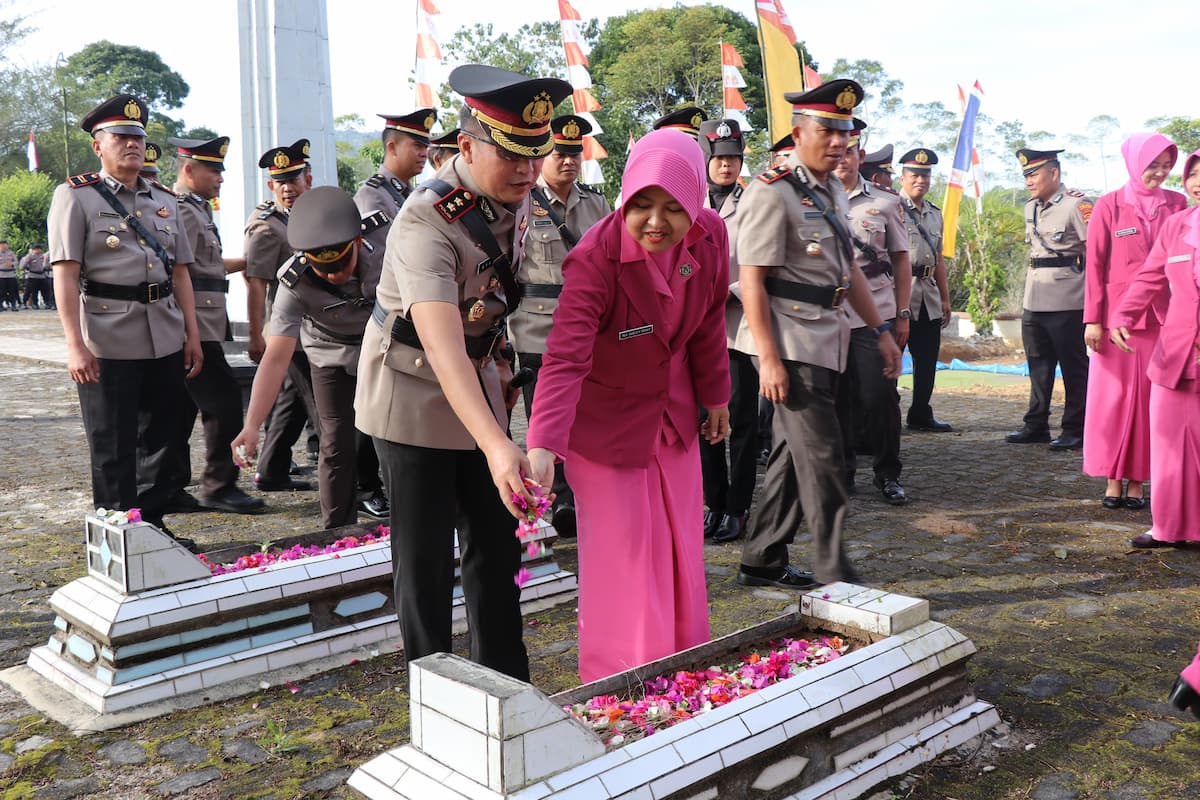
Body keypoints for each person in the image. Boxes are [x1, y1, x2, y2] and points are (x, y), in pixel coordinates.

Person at [355, 64, 573, 681]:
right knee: (423, 560)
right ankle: (434, 690)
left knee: (495, 548)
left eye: (537, 155)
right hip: (411, 390)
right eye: (513, 156)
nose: (529, 170)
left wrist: (528, 430)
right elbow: (441, 343)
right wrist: (501, 446)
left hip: (482, 382)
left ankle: (507, 683)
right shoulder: (426, 218)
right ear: (469, 147)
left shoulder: (518, 196)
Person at [526, 128, 731, 682]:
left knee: (681, 548)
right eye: (641, 204)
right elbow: (565, 357)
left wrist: (716, 396)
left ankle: (686, 667)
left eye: (672, 208)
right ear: (624, 196)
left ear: (695, 204)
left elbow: (710, 320)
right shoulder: (595, 258)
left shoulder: (711, 236)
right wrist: (543, 445)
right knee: (628, 561)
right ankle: (625, 681)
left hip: (674, 419)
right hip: (608, 427)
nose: (656, 222)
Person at [732, 79, 902, 590]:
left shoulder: (827, 188)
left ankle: (761, 558)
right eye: (826, 131)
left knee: (791, 455)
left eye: (844, 134)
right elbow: (753, 280)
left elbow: (847, 271)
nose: (837, 143)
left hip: (830, 338)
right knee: (828, 456)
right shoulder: (771, 190)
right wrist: (768, 358)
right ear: (798, 131)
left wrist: (883, 330)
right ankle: (834, 568)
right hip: (788, 343)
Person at [46, 94, 202, 547]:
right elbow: (66, 275)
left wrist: (192, 334)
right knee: (112, 444)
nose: (131, 144)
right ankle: (118, 533)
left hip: (165, 335)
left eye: (137, 137)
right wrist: (75, 345)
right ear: (99, 145)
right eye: (120, 137)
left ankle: (151, 528)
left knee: (164, 439)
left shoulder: (165, 201)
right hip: (107, 339)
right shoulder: (74, 196)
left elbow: (181, 274)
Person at [234, 186, 387, 529]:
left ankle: (411, 518)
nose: (334, 275)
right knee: (336, 443)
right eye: (324, 269)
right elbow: (276, 358)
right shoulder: (293, 280)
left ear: (357, 243)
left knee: (396, 434)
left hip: (385, 349)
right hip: (330, 355)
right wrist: (252, 425)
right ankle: (338, 531)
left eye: (341, 264)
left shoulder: (386, 241)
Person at [508, 113, 611, 539]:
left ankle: (588, 492)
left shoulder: (595, 203)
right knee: (547, 419)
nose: (568, 161)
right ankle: (562, 498)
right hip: (537, 329)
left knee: (588, 416)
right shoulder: (521, 203)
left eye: (575, 153)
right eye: (559, 153)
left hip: (588, 328)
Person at [1083, 133, 1186, 510]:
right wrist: (1093, 320)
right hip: (1115, 324)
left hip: (1163, 320)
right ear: (1133, 163)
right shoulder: (1109, 206)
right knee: (1112, 402)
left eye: (1165, 166)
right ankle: (1112, 478)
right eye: (1151, 166)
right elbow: (1094, 267)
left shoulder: (1178, 204)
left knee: (1150, 402)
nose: (1159, 173)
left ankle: (1139, 481)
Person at [165, 135, 264, 515]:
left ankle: (171, 486)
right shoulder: (181, 211)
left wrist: (248, 261)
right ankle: (219, 485)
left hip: (205, 323)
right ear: (188, 170)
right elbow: (180, 272)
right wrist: (188, 329)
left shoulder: (196, 209)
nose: (220, 178)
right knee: (223, 403)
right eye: (213, 170)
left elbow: (207, 266)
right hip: (195, 328)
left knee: (182, 409)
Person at [349, 110, 438, 520]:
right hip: (380, 310)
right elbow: (381, 258)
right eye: (416, 145)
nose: (424, 152)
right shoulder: (374, 195)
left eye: (426, 144)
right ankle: (366, 485)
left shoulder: (408, 193)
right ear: (391, 147)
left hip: (409, 311)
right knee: (372, 403)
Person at [1110, 148, 1200, 549]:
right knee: (1167, 445)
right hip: (1174, 353)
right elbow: (1149, 278)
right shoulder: (1177, 225)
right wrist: (1122, 316)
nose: (1196, 181)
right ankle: (1168, 528)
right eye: (1192, 173)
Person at [834, 125, 913, 504]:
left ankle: (887, 473)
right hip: (831, 316)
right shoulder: (811, 201)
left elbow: (900, 260)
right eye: (838, 152)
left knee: (880, 397)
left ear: (860, 157)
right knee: (839, 398)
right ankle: (843, 473)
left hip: (875, 315)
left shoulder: (884, 203)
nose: (842, 159)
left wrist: (902, 314)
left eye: (850, 152)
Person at [243, 140, 319, 492]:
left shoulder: (309, 216)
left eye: (294, 179)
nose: (288, 188)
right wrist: (257, 334)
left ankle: (271, 470)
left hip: (315, 326)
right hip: (290, 330)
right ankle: (356, 483)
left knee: (292, 403)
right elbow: (256, 284)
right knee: (323, 410)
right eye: (280, 181)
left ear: (308, 179)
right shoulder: (265, 225)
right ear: (271, 185)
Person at [1006, 148, 1092, 450]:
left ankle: (1075, 428)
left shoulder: (1076, 205)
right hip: (1034, 299)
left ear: (1053, 173)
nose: (1029, 181)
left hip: (1069, 300)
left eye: (1034, 174)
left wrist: (1094, 305)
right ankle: (1036, 424)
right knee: (1038, 366)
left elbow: (1094, 254)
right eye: (1026, 175)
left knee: (1074, 367)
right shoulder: (1029, 207)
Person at [694, 118, 754, 544]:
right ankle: (713, 502)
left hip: (737, 327)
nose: (726, 165)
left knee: (742, 423)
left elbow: (759, 265)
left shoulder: (753, 204)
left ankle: (738, 506)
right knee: (704, 422)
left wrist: (722, 293)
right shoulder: (686, 202)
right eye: (719, 158)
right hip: (695, 333)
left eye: (733, 157)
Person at [899, 148, 954, 433]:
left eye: (926, 175)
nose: (921, 179)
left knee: (927, 360)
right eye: (915, 174)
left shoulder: (934, 214)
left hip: (928, 296)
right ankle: (882, 417)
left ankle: (920, 412)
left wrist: (945, 298)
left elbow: (940, 258)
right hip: (899, 295)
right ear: (903, 177)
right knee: (890, 360)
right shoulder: (891, 208)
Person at [19, 244, 53, 310]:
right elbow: (22, 266)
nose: (38, 250)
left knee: (45, 291)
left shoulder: (43, 256)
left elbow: (48, 265)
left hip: (43, 275)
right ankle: (35, 304)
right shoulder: (29, 256)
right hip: (33, 276)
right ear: (33, 250)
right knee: (34, 291)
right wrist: (27, 262)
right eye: (36, 249)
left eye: (39, 249)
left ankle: (47, 303)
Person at [0, 240, 18, 311]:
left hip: (11, 274)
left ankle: (13, 305)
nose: (4, 246)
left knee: (12, 290)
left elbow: (16, 262)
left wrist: (12, 264)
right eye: (3, 245)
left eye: (6, 245)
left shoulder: (11, 253)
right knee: (1, 291)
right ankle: (0, 305)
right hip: (1, 275)